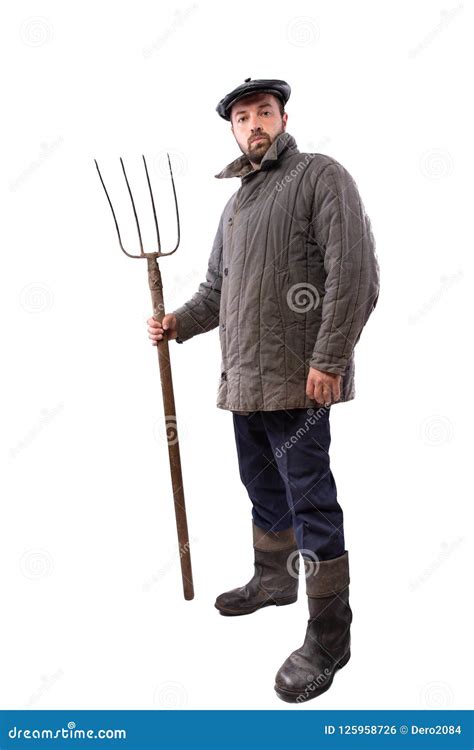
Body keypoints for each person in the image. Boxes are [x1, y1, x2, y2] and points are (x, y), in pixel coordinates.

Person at [146, 78, 380, 703]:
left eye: (265, 113)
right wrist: (178, 324)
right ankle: (273, 579)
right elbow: (217, 293)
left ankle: (331, 635)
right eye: (243, 116)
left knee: (312, 503)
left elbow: (355, 272)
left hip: (300, 381)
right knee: (261, 487)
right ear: (231, 129)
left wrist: (330, 358)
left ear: (283, 118)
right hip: (243, 381)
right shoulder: (237, 206)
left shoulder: (319, 176)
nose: (254, 124)